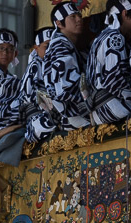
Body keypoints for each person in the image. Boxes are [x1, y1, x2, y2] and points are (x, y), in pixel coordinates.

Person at [27, 3, 91, 143]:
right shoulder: (59, 45)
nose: (79, 19)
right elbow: (65, 88)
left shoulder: (65, 44)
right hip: (74, 115)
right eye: (72, 17)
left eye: (79, 15)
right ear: (59, 23)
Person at [88, 0, 131, 125]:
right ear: (125, 13)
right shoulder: (115, 38)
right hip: (111, 107)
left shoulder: (102, 36)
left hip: (99, 109)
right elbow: (114, 80)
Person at [19, 28, 55, 118]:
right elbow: (30, 96)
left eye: (54, 45)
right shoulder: (35, 65)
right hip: (38, 113)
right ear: (36, 48)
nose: (50, 50)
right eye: (47, 46)